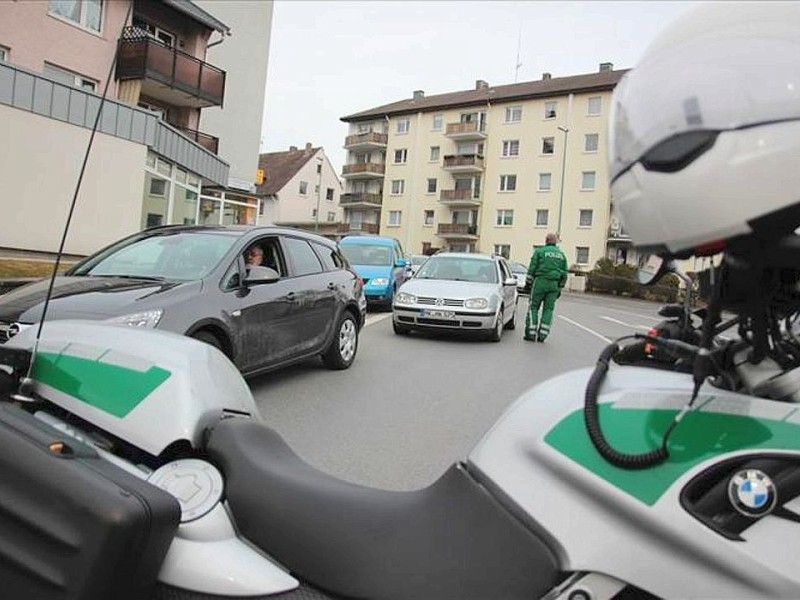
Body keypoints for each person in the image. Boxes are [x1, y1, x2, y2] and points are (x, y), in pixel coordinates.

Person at [524, 233, 568, 342]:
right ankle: (542, 335)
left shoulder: (539, 252)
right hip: (554, 285)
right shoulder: (562, 255)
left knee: (533, 307)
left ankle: (531, 333)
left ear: (546, 240)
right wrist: (560, 287)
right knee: (548, 309)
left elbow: (532, 269)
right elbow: (565, 274)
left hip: (540, 282)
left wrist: (528, 284)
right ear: (555, 242)